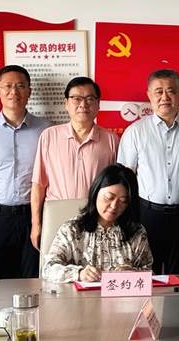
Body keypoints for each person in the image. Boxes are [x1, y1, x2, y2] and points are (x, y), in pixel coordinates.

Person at [117, 69, 179, 274]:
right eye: (158, 91)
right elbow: (125, 179)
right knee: (147, 274)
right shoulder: (135, 132)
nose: (165, 97)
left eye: (171, 91)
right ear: (149, 95)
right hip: (147, 215)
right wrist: (127, 219)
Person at [0, 65, 50, 283]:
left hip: (33, 216)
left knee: (34, 281)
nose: (14, 92)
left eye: (21, 86)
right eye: (8, 86)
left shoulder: (45, 129)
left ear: (29, 91)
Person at [30, 76, 118, 250]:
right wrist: (36, 224)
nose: (83, 104)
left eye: (90, 99)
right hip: (56, 215)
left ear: (98, 104)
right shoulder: (49, 136)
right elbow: (39, 184)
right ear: (66, 103)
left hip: (97, 217)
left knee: (94, 265)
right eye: (76, 98)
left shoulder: (110, 139)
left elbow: (116, 187)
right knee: (56, 265)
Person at [41, 164, 152, 283]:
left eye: (123, 201)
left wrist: (133, 273)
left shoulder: (136, 232)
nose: (114, 206)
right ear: (95, 193)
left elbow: (149, 272)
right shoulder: (73, 229)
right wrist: (79, 273)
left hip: (122, 295)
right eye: (109, 197)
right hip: (80, 295)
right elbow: (48, 269)